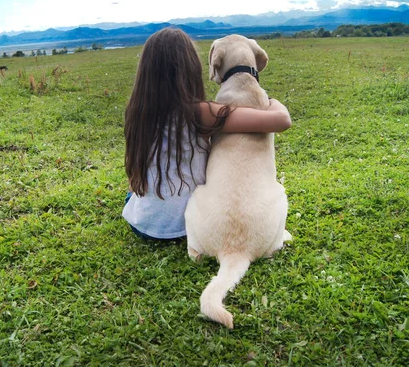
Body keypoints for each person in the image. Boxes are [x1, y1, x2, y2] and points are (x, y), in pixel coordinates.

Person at [123, 28, 291, 240]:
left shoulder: (137, 112)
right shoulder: (201, 113)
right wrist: (271, 101)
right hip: (190, 225)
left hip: (142, 226)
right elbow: (281, 121)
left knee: (132, 194)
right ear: (190, 69)